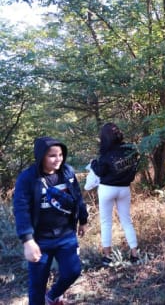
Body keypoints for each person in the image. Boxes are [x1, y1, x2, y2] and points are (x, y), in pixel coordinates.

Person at [13, 137, 88, 305]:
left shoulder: (67, 172)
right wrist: (27, 241)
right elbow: (21, 209)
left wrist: (83, 219)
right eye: (52, 155)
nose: (58, 159)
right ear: (41, 157)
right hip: (40, 240)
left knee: (73, 271)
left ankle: (52, 295)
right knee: (37, 285)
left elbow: (77, 197)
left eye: (60, 154)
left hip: (66, 236)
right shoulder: (27, 178)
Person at [90, 123, 140, 266]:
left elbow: (100, 172)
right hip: (124, 189)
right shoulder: (130, 150)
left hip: (107, 189)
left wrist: (93, 163)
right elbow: (134, 166)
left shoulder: (106, 154)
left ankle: (107, 257)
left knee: (106, 222)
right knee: (126, 221)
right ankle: (134, 254)